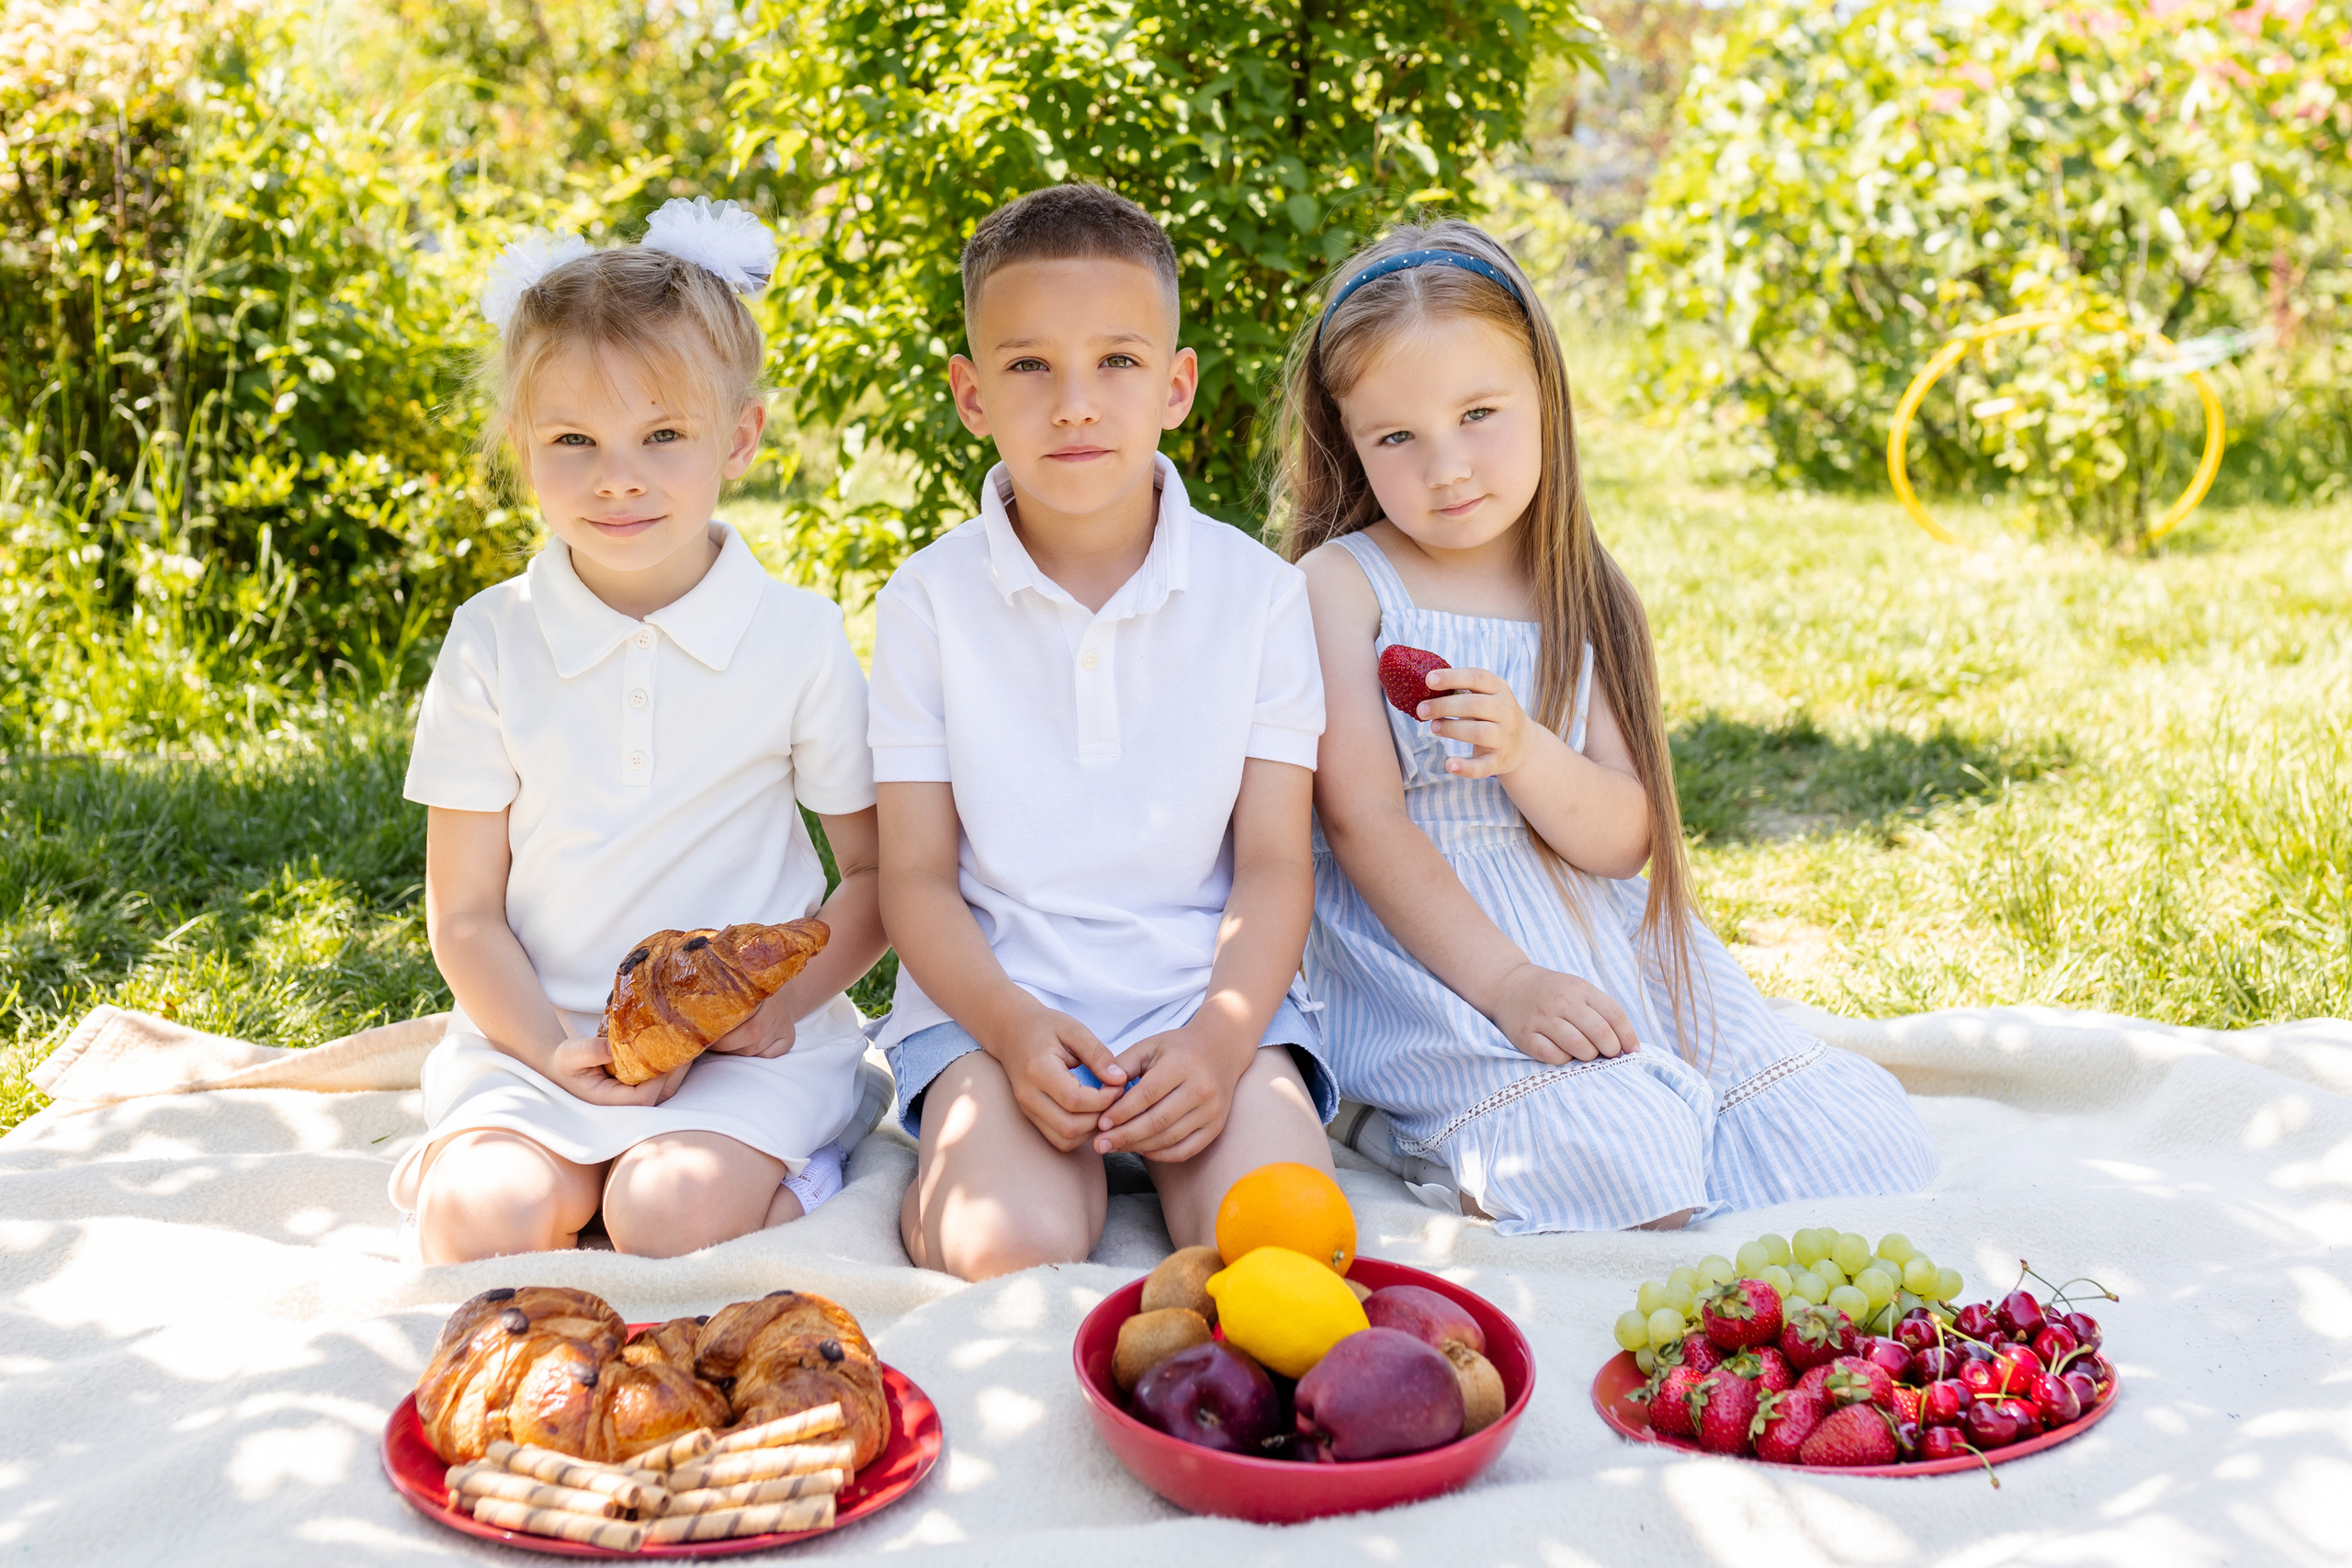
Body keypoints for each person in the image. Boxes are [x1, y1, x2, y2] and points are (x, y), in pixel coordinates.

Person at [1279, 220, 1939, 1234]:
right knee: (1621, 1169)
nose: (1446, 468)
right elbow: (1364, 825)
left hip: (1595, 932)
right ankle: (1408, 1119)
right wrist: (1507, 985)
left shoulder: (1579, 590)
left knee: (1851, 1148)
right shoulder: (1340, 586)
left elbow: (1624, 834)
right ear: (1348, 442)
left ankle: (1658, 1100)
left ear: (1547, 397)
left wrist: (1527, 753)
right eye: (1396, 438)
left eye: (1479, 415)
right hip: (1439, 957)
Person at [390, 199, 889, 1264]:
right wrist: (553, 1049)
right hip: (538, 1034)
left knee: (663, 1219)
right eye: (574, 440)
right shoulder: (492, 639)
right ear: (523, 450)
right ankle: (546, 1176)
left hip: (744, 1048)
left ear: (739, 438)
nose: (618, 476)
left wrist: (781, 1008)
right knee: (479, 1223)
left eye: (662, 436)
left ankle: (803, 1172)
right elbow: (466, 915)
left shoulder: (795, 636)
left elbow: (877, 873)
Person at [869, 184, 1338, 1282]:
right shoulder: (928, 600)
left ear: (1176, 385)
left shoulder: (1259, 595)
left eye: (1118, 362)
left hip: (1201, 1000)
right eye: (1029, 366)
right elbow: (918, 881)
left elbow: (1274, 864)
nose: (1075, 403)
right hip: (999, 1003)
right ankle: (986, 1161)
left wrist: (1223, 1040)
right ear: (971, 394)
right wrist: (1011, 1025)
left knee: (1282, 1246)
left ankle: (1212, 1116)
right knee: (1006, 1250)